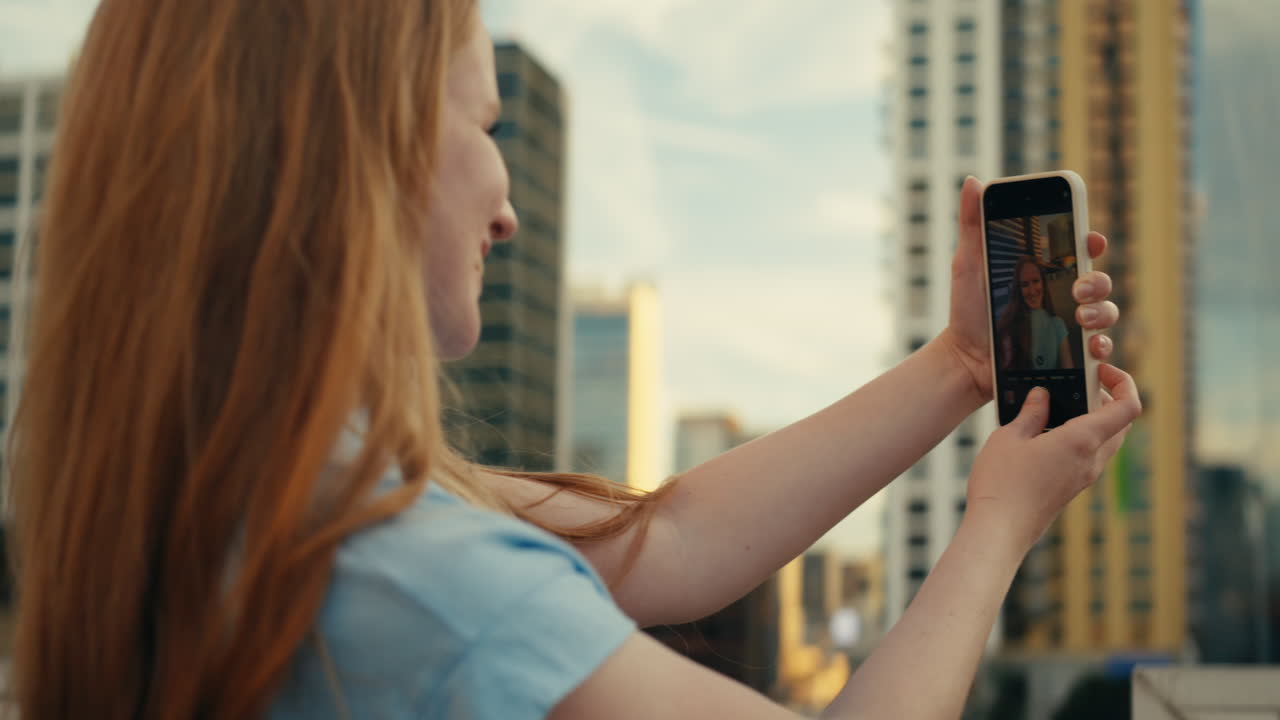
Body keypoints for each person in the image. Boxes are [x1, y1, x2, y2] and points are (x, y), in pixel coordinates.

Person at [6, 1, 1137, 719]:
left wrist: (955, 365)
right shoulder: (424, 586)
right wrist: (997, 524)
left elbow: (675, 536)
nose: (507, 210)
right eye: (485, 127)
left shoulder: (242, 499)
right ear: (365, 147)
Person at [997, 255, 1075, 371]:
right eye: (1025, 284)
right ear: (1018, 289)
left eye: (1035, 281)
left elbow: (1068, 368)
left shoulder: (1058, 324)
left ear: (1043, 283)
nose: (1032, 291)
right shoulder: (1009, 325)